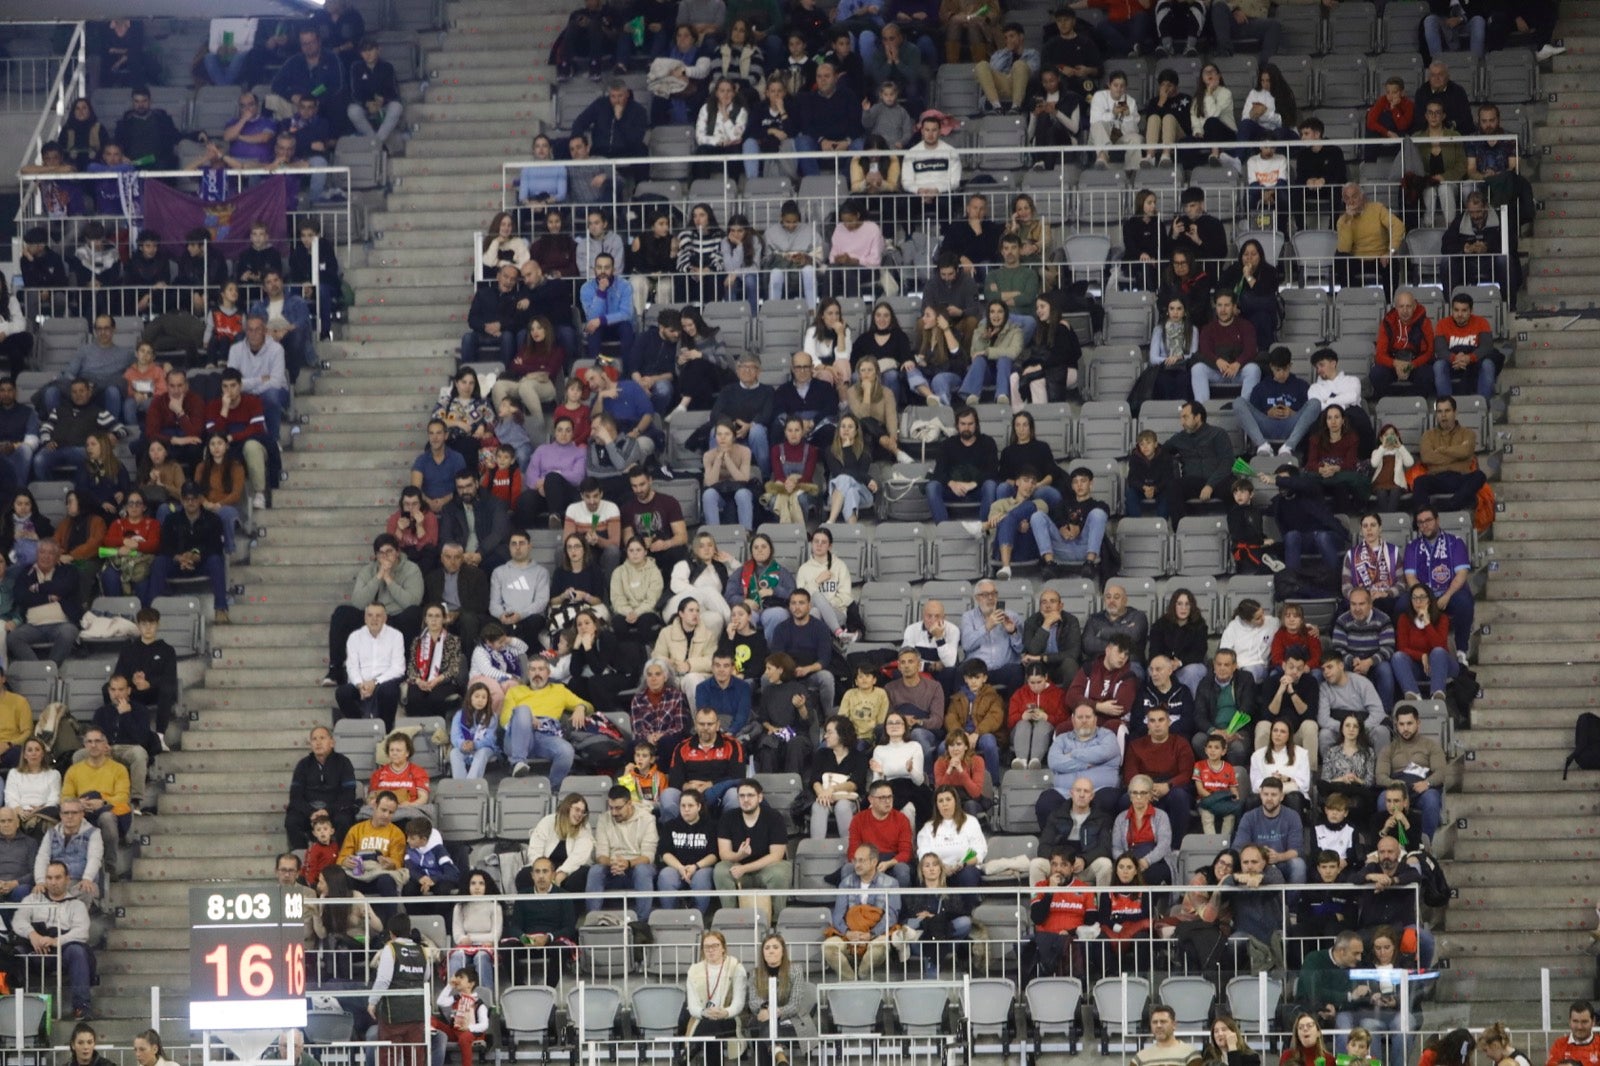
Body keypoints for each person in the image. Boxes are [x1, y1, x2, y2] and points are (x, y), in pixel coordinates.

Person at [14, 861, 94, 1019]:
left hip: (63, 951)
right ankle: (14, 1008)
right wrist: (33, 935)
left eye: (58, 877)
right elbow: (18, 921)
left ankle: (81, 1007)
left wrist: (55, 941)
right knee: (13, 954)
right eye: (49, 878)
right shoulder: (33, 899)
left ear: (67, 879)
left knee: (77, 951)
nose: (53, 882)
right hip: (35, 948)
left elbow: (82, 931)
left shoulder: (77, 905)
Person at [714, 778, 791, 921]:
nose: (746, 800)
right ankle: (730, 918)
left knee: (781, 871)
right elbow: (724, 854)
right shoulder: (728, 818)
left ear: (760, 797)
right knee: (720, 869)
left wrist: (745, 868)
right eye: (742, 796)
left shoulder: (774, 817)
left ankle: (777, 920)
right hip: (739, 868)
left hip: (767, 869)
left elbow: (776, 856)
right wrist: (739, 856)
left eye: (750, 795)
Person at [821, 843, 900, 979]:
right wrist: (848, 933)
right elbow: (838, 915)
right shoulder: (845, 883)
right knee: (828, 947)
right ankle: (851, 981)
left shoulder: (891, 883)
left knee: (879, 948)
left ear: (874, 862)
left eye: (861, 860)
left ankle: (863, 976)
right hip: (849, 935)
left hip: (876, 935)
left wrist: (872, 934)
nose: (857, 864)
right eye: (855, 860)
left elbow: (891, 916)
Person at [1404, 505, 1473, 659]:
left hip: (1449, 594)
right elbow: (1410, 578)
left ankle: (1462, 651)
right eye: (1420, 522)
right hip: (1424, 596)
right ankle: (1409, 651)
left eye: (1428, 520)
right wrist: (1422, 599)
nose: (1424, 525)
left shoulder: (1455, 542)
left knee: (1464, 601)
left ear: (1437, 520)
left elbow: (1461, 574)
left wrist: (1447, 596)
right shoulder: (1412, 547)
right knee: (1401, 604)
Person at [1038, 703, 1122, 827]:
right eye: (1080, 717)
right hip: (1065, 792)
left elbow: (1104, 753)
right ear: (1073, 720)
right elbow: (1054, 761)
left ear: (1095, 719)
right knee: (1045, 802)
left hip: (1099, 790)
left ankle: (1096, 843)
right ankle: (1054, 843)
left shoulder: (1107, 736)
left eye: (1088, 717)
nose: (1084, 721)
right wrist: (1085, 764)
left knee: (1107, 800)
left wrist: (1072, 754)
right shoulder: (1062, 739)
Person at [1336, 183, 1406, 294]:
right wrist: (1349, 220)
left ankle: (1389, 303)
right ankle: (1350, 299)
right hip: (1357, 259)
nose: (1351, 201)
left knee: (1392, 263)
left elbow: (1398, 226)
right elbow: (1345, 248)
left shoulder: (1377, 209)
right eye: (1347, 198)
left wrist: (1390, 251)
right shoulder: (1342, 220)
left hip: (1380, 257)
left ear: (1362, 196)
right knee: (1340, 258)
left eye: (1354, 196)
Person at [1089, 70, 1142, 172]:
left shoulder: (1130, 101)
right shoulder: (1100, 96)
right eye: (1115, 85)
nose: (1119, 89)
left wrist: (1127, 116)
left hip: (1119, 137)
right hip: (1099, 137)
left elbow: (1134, 131)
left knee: (1136, 138)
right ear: (1109, 85)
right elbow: (1094, 121)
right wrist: (1112, 114)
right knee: (1098, 124)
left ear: (1126, 87)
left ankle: (1132, 172)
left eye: (1122, 86)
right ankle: (1102, 157)